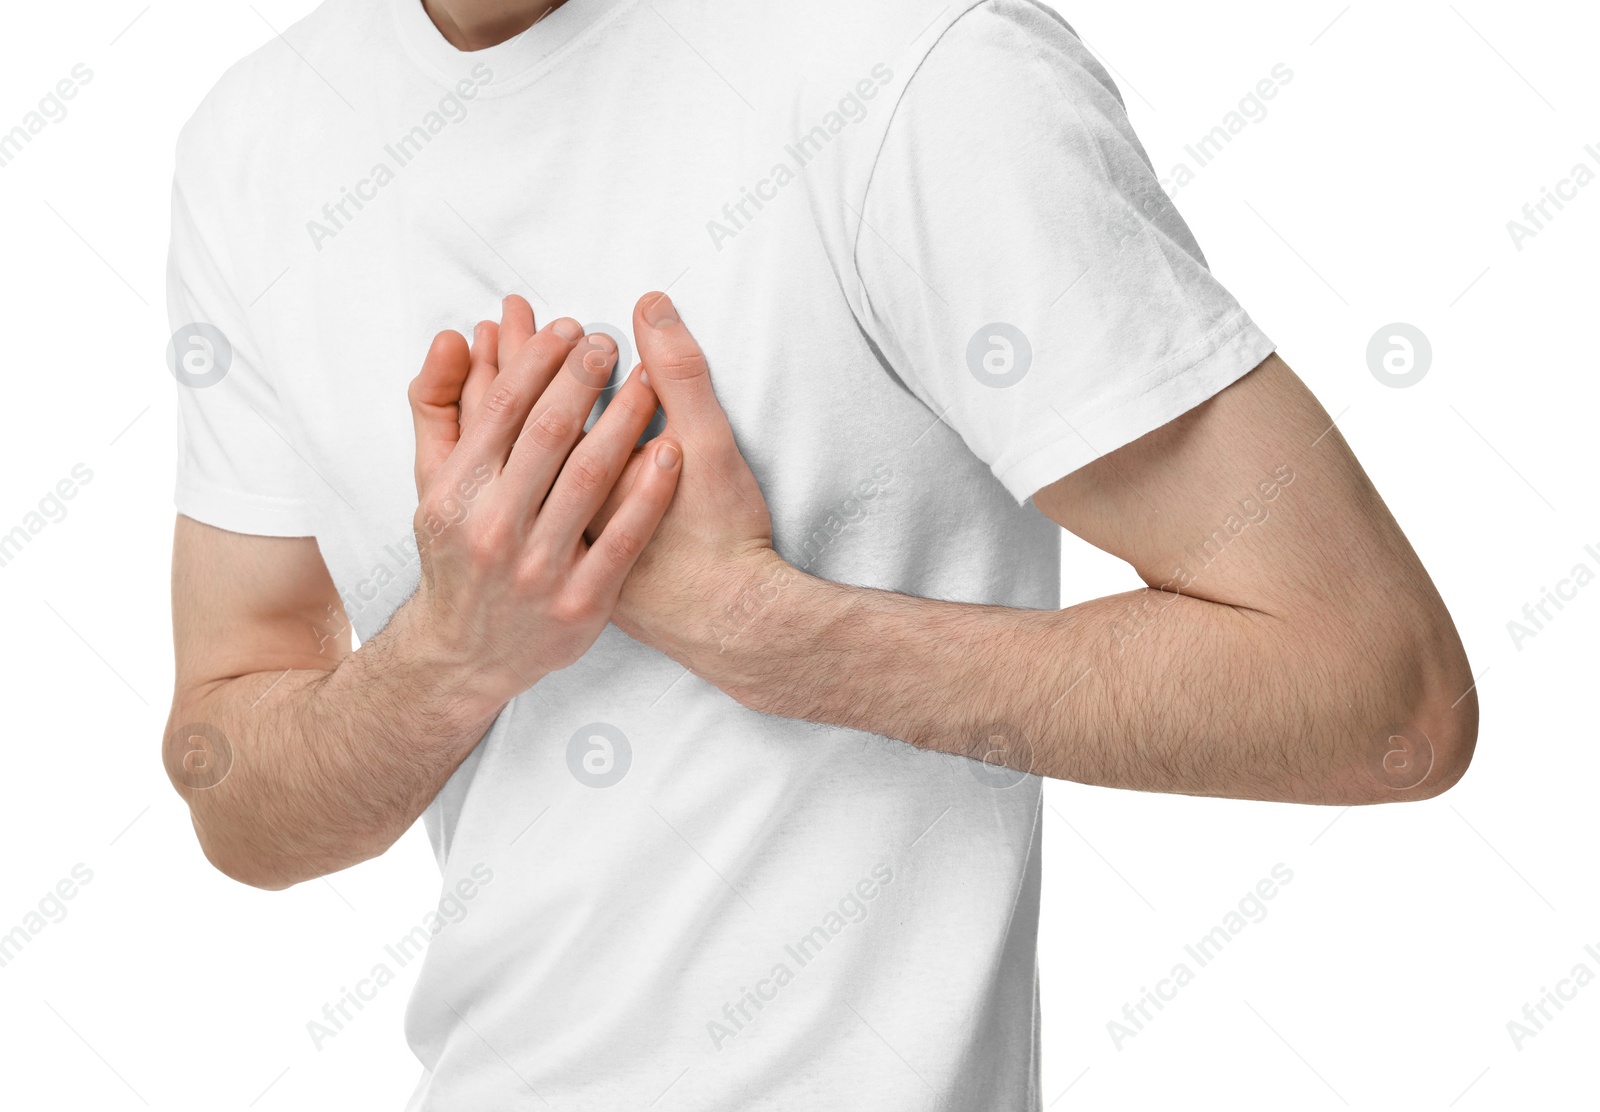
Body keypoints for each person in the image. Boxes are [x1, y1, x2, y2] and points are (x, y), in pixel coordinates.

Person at [161, 0, 1477, 1106]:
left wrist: (777, 636)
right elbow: (236, 788)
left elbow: (1381, 692)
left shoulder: (913, 64)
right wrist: (453, 654)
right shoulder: (256, 146)